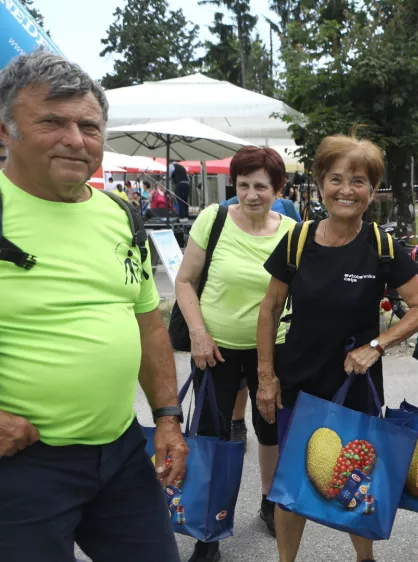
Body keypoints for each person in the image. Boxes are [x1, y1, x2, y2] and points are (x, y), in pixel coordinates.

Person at [0, 50, 186, 562]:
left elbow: (148, 324)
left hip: (120, 451)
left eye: (89, 125)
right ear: (4, 130)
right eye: (51, 122)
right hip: (22, 465)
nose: (76, 140)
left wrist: (168, 418)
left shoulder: (119, 215)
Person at [256, 134, 418, 562]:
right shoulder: (297, 240)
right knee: (291, 482)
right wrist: (266, 377)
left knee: (358, 477)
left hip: (355, 385)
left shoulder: (382, 246)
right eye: (336, 179)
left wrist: (378, 344)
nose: (346, 190)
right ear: (320, 184)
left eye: (358, 181)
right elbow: (269, 309)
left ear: (372, 191)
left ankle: (365, 558)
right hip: (298, 380)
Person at [174, 147, 297, 561]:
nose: (250, 195)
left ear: (279, 188)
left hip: (274, 350)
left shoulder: (293, 231)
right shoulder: (215, 219)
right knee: (211, 435)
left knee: (271, 432)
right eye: (242, 185)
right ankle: (207, 530)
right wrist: (198, 333)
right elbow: (186, 281)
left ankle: (268, 503)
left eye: (260, 186)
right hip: (216, 349)